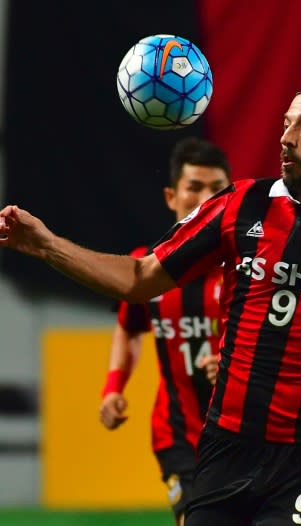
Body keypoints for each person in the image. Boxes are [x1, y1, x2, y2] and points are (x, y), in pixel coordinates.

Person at [0, 86, 301, 526]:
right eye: (286, 124)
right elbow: (140, 278)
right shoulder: (239, 205)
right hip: (227, 444)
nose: (287, 136)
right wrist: (50, 247)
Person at [98, 137, 231, 525]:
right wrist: (112, 388)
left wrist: (234, 361)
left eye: (217, 189)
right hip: (178, 435)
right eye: (195, 187)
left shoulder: (248, 266)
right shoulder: (146, 268)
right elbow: (129, 327)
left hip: (244, 434)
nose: (206, 198)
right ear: (172, 196)